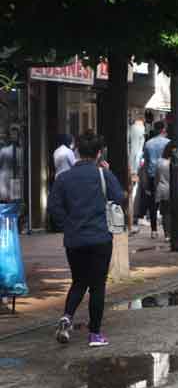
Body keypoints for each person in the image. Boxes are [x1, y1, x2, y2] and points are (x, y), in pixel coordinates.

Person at [47, 130, 125, 347]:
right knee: (97, 286)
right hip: (100, 238)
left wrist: (68, 224)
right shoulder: (103, 175)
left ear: (77, 151)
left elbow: (53, 207)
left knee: (79, 281)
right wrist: (109, 173)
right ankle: (95, 334)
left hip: (74, 240)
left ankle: (67, 317)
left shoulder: (63, 178)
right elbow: (118, 198)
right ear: (99, 153)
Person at [155, 142, 178, 241]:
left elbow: (157, 178)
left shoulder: (160, 162)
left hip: (163, 190)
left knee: (166, 213)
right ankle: (177, 233)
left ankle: (167, 234)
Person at [142, 121, 170, 239]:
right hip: (165, 174)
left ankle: (154, 230)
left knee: (152, 204)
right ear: (163, 129)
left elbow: (146, 162)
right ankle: (167, 232)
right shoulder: (168, 143)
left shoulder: (148, 144)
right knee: (166, 203)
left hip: (152, 175)